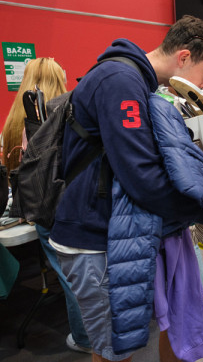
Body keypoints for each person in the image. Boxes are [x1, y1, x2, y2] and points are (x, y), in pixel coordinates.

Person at [49, 15, 203, 362]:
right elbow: (143, 178)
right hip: (93, 237)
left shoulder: (138, 82)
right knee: (112, 351)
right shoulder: (121, 81)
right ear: (184, 57)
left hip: (116, 233)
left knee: (132, 340)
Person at [1, 57, 92, 353]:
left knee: (66, 272)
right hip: (68, 205)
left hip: (31, 208)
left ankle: (83, 334)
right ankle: (85, 336)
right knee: (76, 273)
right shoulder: (68, 113)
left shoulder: (15, 121)